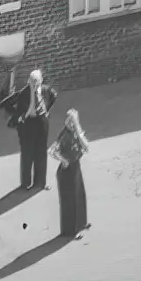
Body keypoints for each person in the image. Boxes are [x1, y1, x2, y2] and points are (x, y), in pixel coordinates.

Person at [2, 66, 53, 196]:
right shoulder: (23, 93)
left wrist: (47, 110)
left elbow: (54, 96)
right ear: (28, 81)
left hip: (41, 122)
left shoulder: (46, 90)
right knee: (27, 153)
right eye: (32, 81)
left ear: (41, 81)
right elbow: (6, 104)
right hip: (28, 124)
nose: (35, 84)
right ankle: (25, 184)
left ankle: (40, 182)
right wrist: (18, 116)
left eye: (37, 81)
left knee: (41, 152)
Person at [52, 99, 92, 240]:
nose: (69, 123)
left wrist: (79, 134)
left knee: (79, 195)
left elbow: (86, 147)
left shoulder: (76, 133)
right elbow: (52, 151)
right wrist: (64, 160)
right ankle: (71, 231)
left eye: (72, 121)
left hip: (76, 167)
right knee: (70, 201)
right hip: (66, 171)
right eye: (68, 121)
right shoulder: (64, 135)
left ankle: (81, 223)